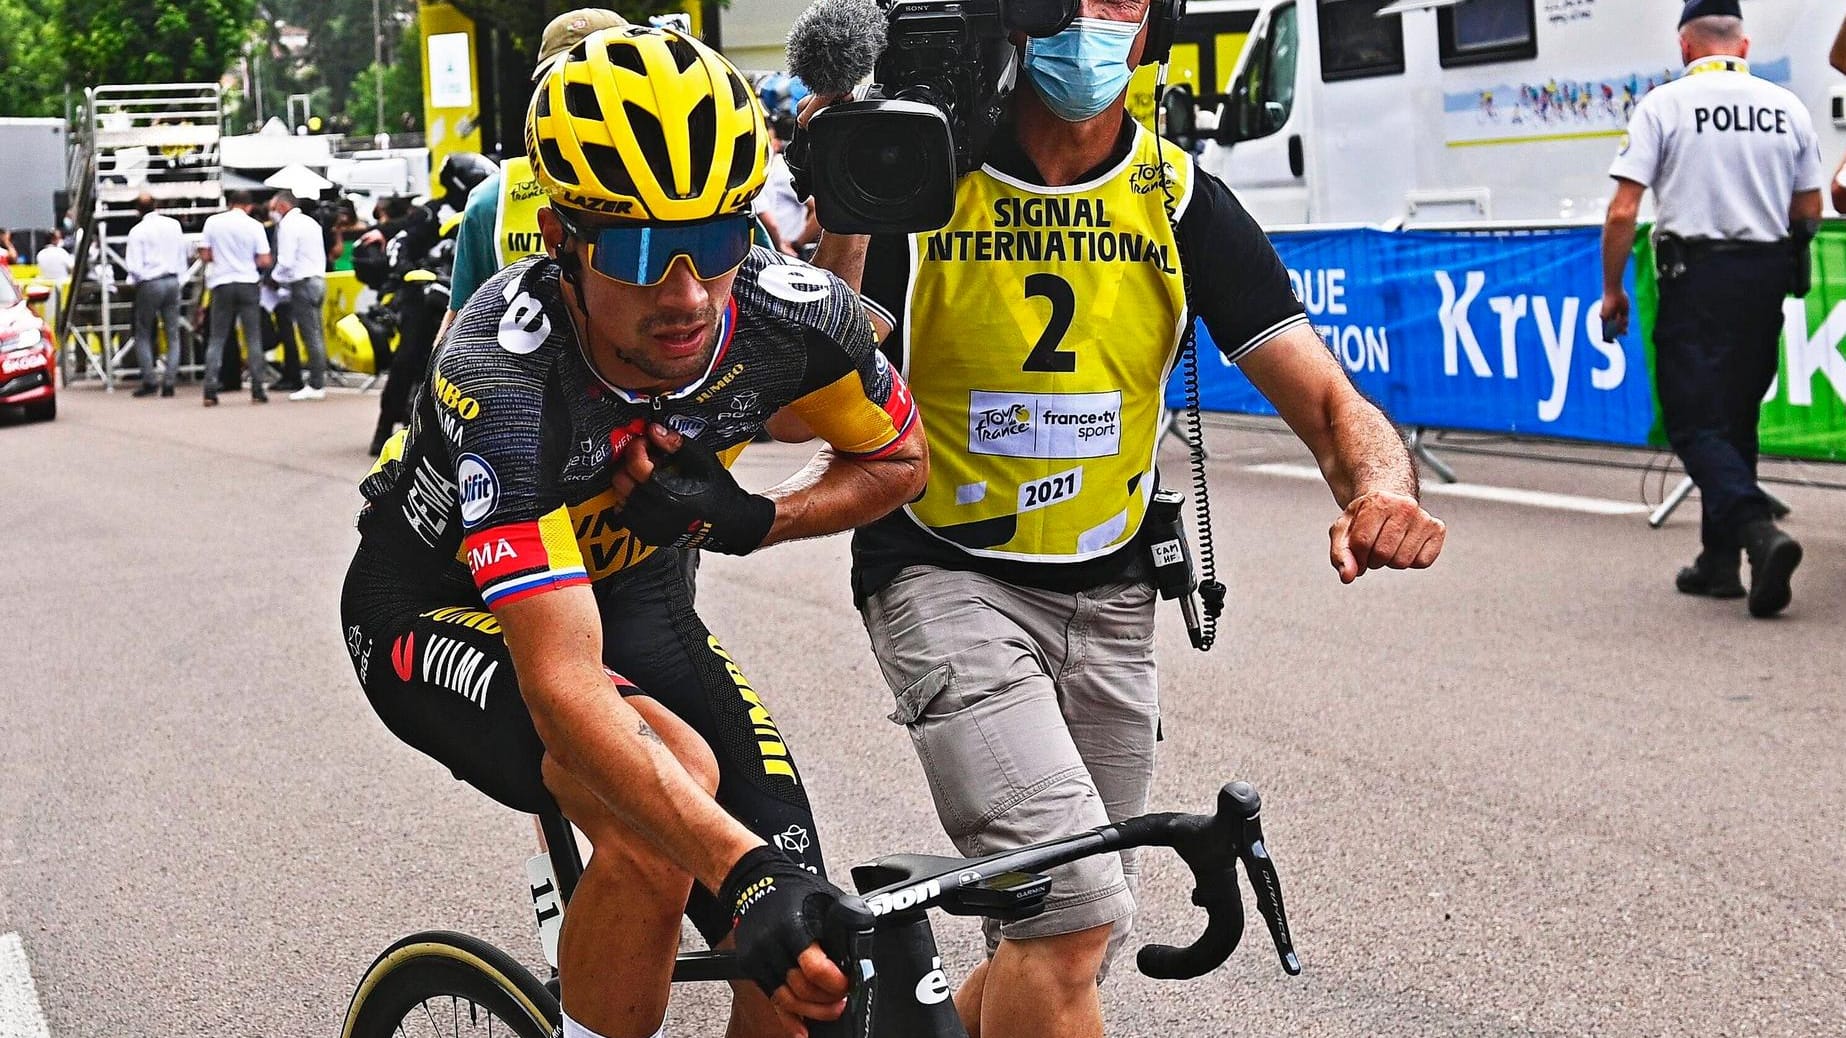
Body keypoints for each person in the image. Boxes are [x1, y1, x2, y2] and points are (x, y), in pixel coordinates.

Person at [806, 2, 1447, 1035]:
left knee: (1064, 946)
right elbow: (816, 387)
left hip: (1110, 598)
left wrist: (1382, 490)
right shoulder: (927, 176)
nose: (1094, 21)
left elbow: (1331, 406)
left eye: (1122, 0)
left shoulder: (1179, 197)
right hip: (943, 576)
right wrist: (849, 215)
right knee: (1073, 919)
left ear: (1155, 22)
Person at [339, 26, 928, 1038]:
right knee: (669, 815)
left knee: (809, 966)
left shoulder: (798, 318)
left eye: (714, 241)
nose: (687, 293)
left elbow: (901, 463)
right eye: (644, 250)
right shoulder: (503, 372)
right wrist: (738, 872)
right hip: (438, 608)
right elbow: (562, 687)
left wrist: (749, 518)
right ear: (562, 240)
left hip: (641, 600)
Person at [1600, 0, 1822, 618]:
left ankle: (1758, 532)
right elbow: (1809, 213)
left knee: (1693, 423)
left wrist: (1613, 289)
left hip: (1695, 279)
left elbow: (1624, 211)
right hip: (1763, 278)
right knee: (1735, 420)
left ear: (1685, 48)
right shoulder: (1789, 108)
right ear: (1742, 48)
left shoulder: (1664, 105)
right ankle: (1721, 565)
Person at [198, 191, 273, 405]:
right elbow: (264, 260)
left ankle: (210, 390)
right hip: (247, 282)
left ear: (230, 204)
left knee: (217, 338)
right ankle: (258, 390)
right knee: (252, 338)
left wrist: (221, 258)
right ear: (248, 206)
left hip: (221, 282)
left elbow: (205, 254)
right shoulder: (255, 226)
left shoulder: (213, 222)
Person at [124, 193, 192, 397]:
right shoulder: (173, 226)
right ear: (157, 205)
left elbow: (134, 266)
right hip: (172, 280)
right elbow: (182, 254)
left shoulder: (137, 231)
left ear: (138, 210)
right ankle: (169, 381)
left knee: (143, 332)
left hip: (150, 282)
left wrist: (138, 281)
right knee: (172, 333)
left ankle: (150, 380)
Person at [269, 188, 331, 400]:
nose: (272, 213)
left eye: (273, 208)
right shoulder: (311, 222)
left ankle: (316, 384)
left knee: (309, 335)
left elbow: (286, 260)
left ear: (283, 206)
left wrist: (275, 278)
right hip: (317, 279)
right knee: (317, 333)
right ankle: (318, 379)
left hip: (302, 282)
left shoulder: (288, 225)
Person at [752, 115, 818, 258]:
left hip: (784, 254)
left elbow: (818, 210)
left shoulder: (780, 168)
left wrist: (796, 244)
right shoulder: (765, 169)